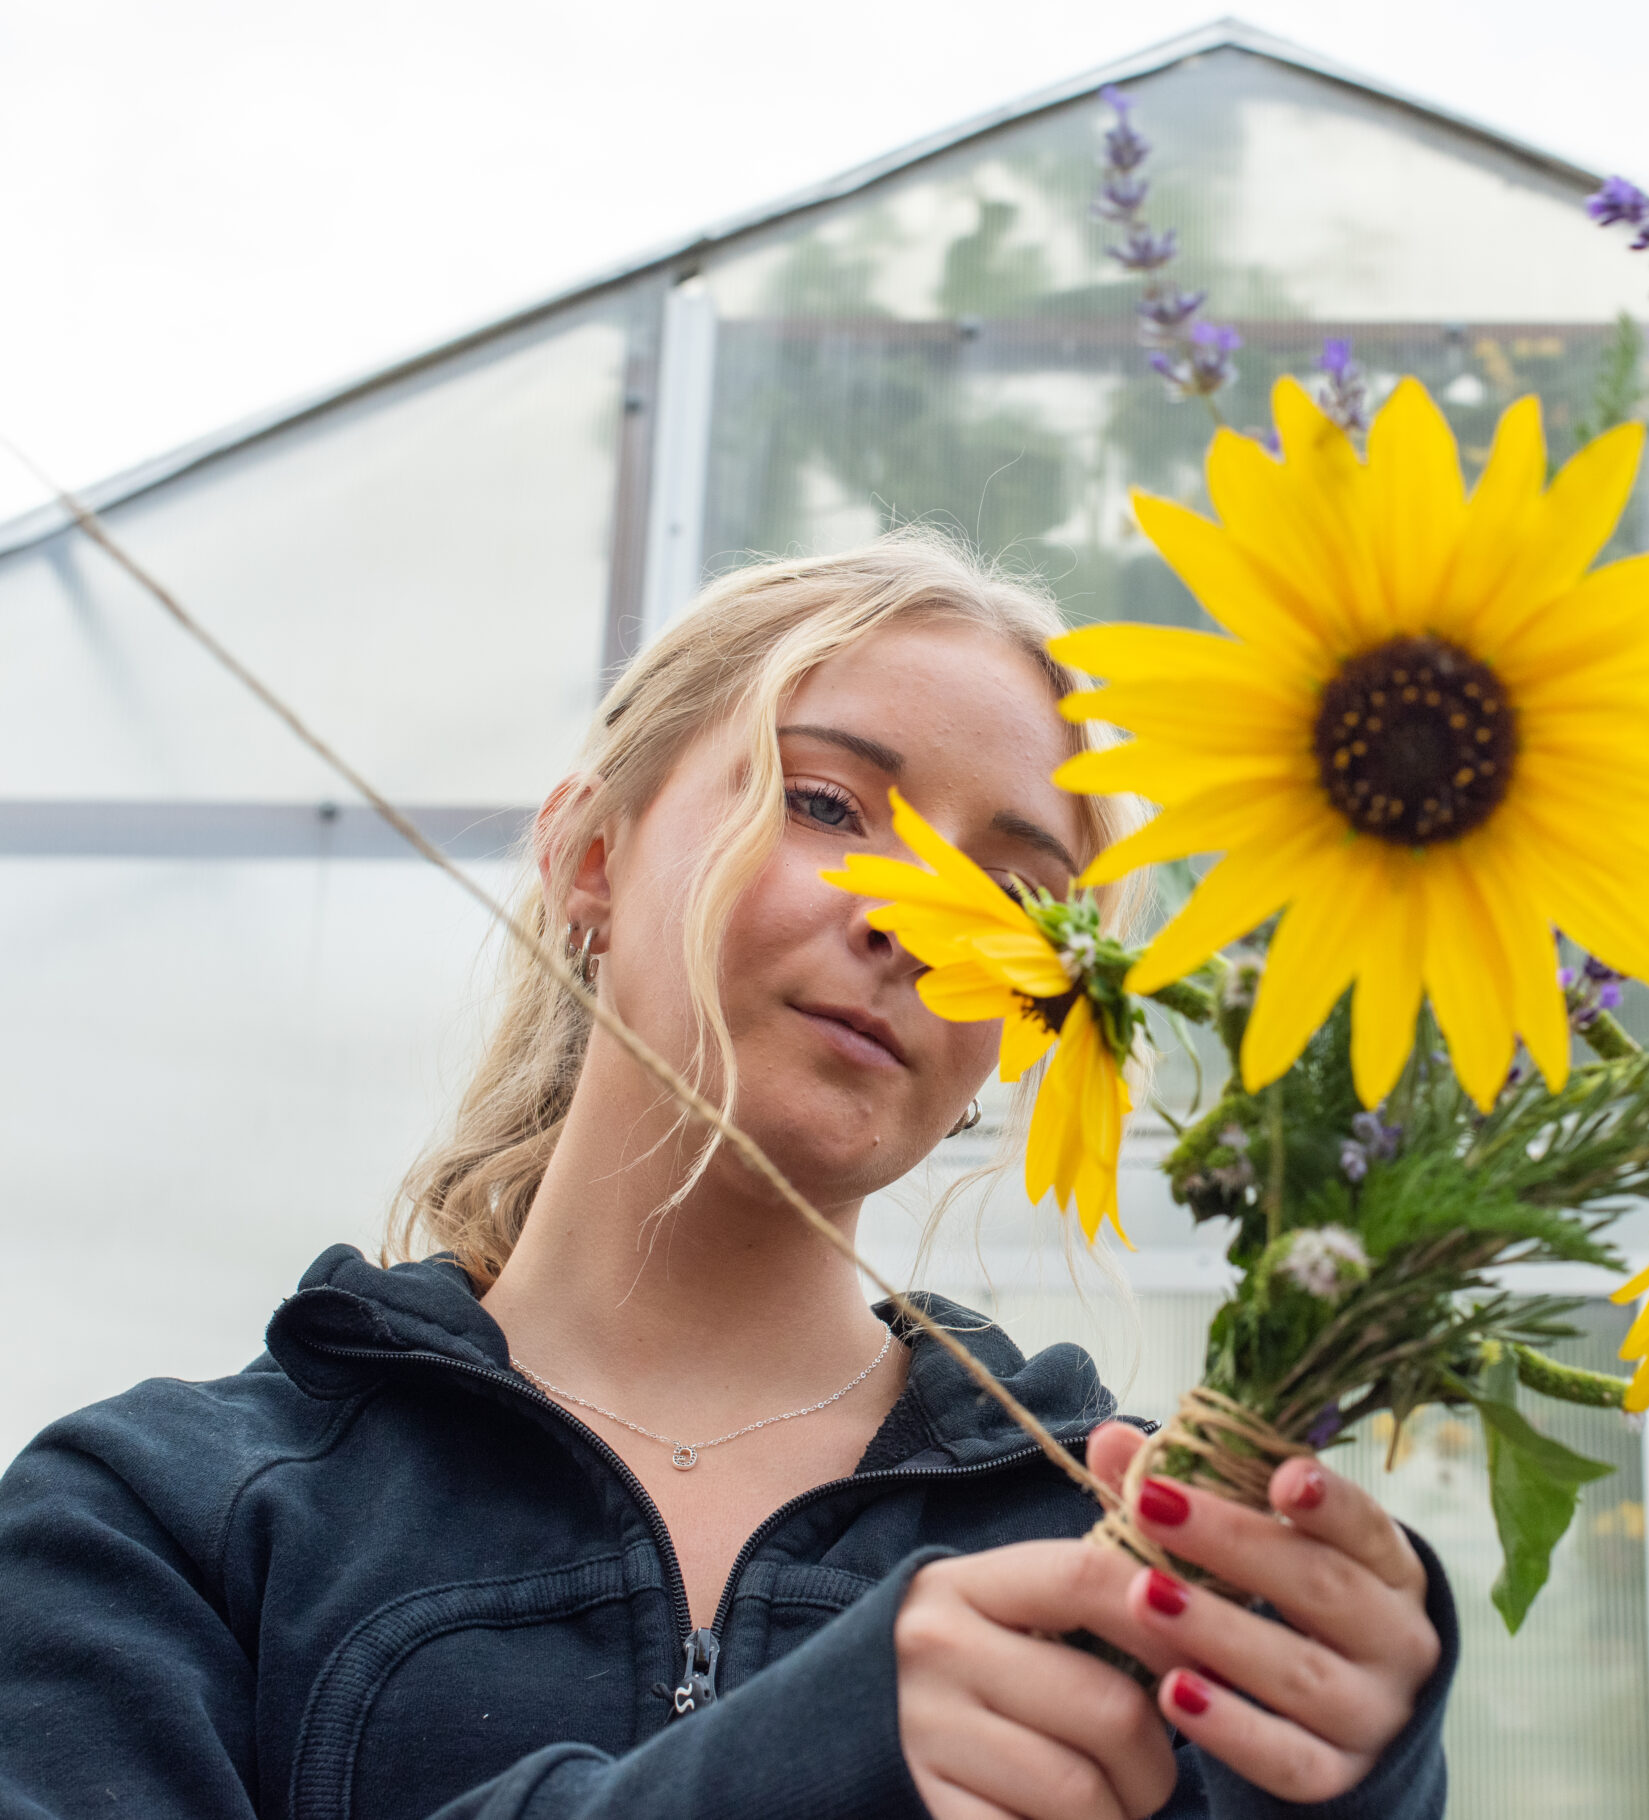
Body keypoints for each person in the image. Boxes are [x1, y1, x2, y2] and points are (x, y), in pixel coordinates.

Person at [0, 532, 1453, 1820]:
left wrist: (1345, 1777)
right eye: (828, 804)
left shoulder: (1126, 1549)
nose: (920, 921)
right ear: (590, 855)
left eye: (1015, 901)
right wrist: (801, 1766)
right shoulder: (162, 1520)